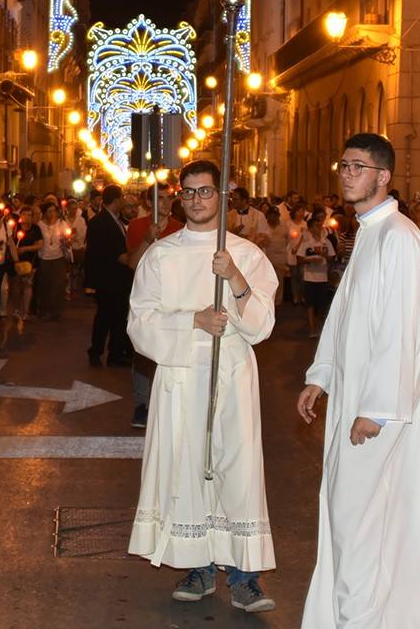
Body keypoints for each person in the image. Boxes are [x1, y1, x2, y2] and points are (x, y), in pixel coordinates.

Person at [297, 133, 420, 627]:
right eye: (343, 165)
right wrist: (320, 376)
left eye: (357, 166)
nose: (346, 174)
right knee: (351, 519)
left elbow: (400, 330)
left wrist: (376, 409)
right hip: (355, 401)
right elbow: (345, 316)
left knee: (360, 523)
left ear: (383, 176)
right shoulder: (369, 232)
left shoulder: (399, 236)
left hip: (378, 412)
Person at [127, 160, 280, 613]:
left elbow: (262, 325)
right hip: (181, 378)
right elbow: (139, 322)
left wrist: (233, 277)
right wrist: (192, 321)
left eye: (205, 191)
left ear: (222, 197)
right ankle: (198, 566)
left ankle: (245, 576)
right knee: (188, 469)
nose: (197, 200)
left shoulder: (247, 254)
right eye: (189, 192)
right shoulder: (161, 254)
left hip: (231, 376)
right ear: (180, 196)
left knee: (237, 469)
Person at [86, 184, 134, 367]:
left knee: (117, 316)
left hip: (117, 280)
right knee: (105, 317)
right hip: (108, 279)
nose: (124, 201)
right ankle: (97, 351)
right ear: (115, 200)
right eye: (122, 197)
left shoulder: (114, 219)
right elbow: (109, 252)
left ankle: (115, 352)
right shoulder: (101, 222)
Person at [292, 207, 336, 339]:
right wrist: (311, 259)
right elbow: (299, 259)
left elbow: (332, 258)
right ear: (310, 228)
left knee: (321, 306)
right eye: (315, 226)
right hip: (309, 277)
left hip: (322, 277)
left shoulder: (326, 241)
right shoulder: (306, 242)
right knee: (310, 305)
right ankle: (312, 329)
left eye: (320, 225)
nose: (318, 228)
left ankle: (319, 325)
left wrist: (323, 255)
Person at [30, 201, 70, 319]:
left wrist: (66, 240)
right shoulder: (40, 225)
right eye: (49, 211)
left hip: (58, 258)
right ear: (45, 213)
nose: (52, 214)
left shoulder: (62, 224)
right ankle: (43, 310)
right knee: (44, 285)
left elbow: (68, 241)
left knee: (57, 285)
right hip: (44, 258)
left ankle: (56, 311)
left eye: (54, 211)